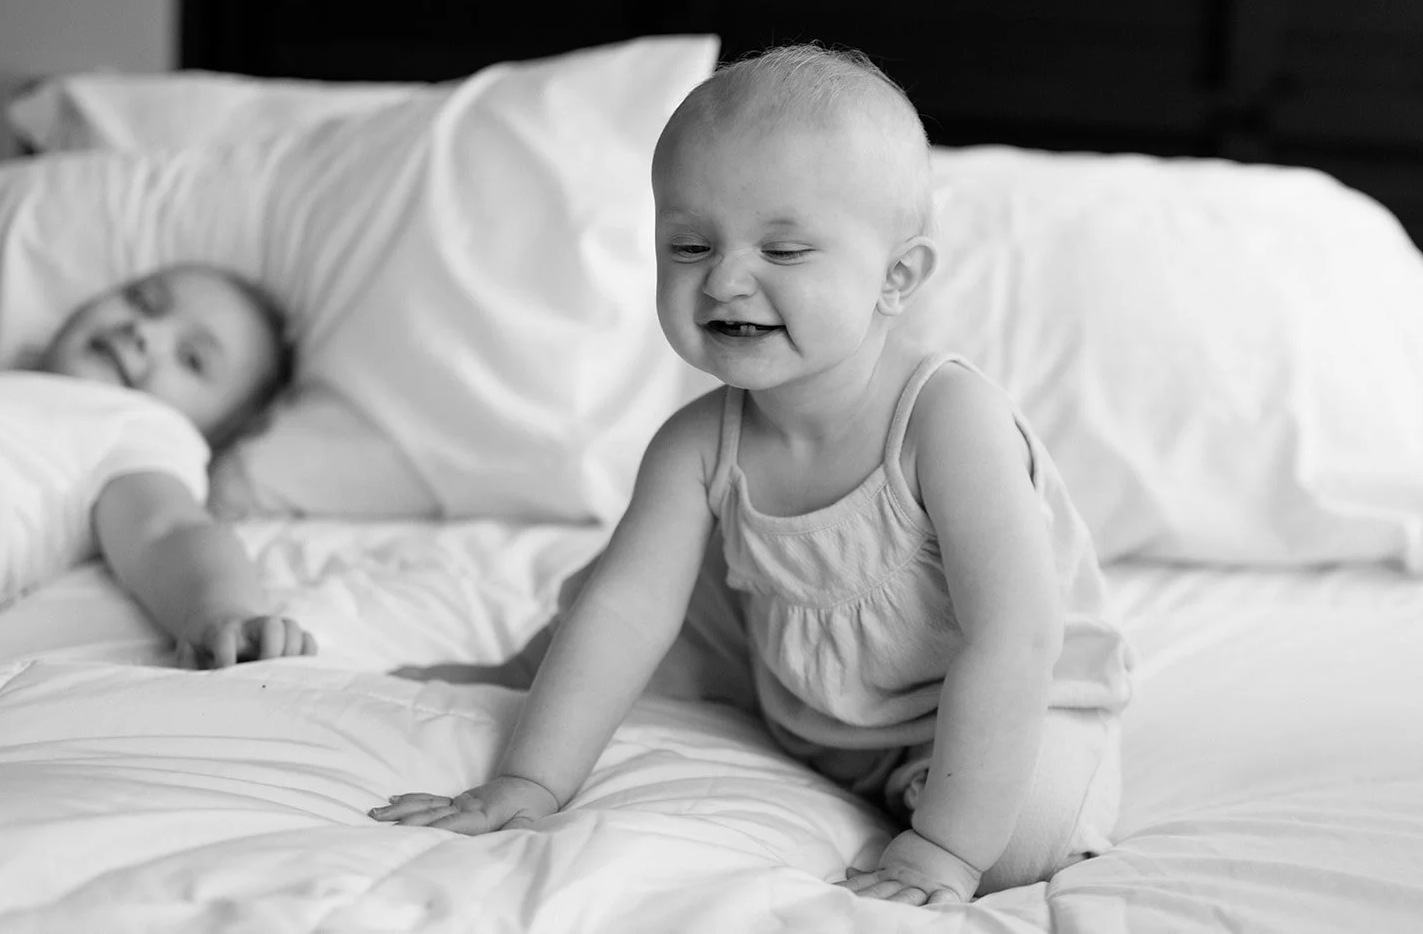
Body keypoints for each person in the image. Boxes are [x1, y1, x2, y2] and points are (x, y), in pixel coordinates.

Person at [371, 44, 1134, 906]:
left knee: (1018, 842)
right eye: (689, 244)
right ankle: (527, 665)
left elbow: (1016, 636)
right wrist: (529, 783)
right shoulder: (698, 444)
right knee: (626, 595)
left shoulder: (946, 421)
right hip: (816, 710)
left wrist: (946, 847)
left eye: (786, 248)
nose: (726, 280)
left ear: (896, 277)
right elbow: (625, 614)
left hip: (1011, 704)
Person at [0, 262, 317, 698]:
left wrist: (221, 609)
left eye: (192, 359)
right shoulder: (2, 389)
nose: (144, 331)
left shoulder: (147, 426)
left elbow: (168, 530)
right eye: (143, 302)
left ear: (215, 433)